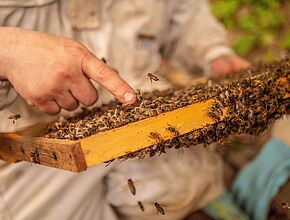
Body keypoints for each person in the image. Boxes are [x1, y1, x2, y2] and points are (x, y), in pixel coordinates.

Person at [0, 1, 250, 219]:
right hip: (30, 164)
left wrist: (212, 52)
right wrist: (8, 49)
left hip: (145, 119)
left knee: (188, 183)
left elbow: (183, 10)